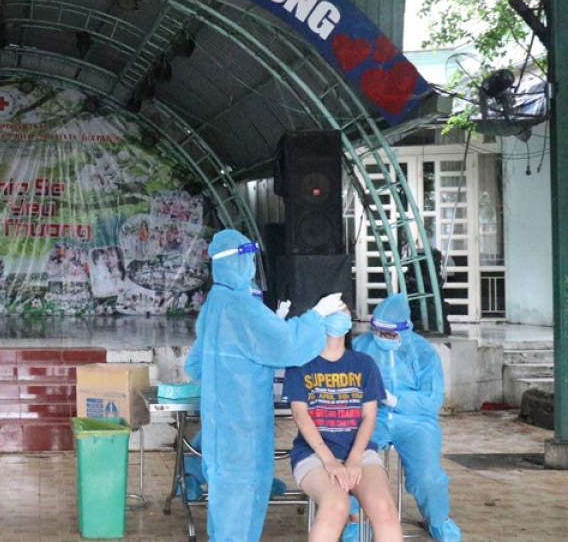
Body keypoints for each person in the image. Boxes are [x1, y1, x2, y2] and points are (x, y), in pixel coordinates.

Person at [193, 229, 349, 542]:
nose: (251, 266)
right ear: (238, 261)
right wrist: (316, 316)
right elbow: (290, 347)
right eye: (248, 259)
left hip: (220, 425)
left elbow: (195, 365)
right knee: (240, 510)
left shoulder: (216, 302)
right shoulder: (240, 307)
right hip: (242, 429)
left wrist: (268, 330)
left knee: (226, 511)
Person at [343, 294, 461, 542]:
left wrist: (396, 399)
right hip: (371, 417)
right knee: (350, 457)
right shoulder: (361, 345)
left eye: (388, 334)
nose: (381, 338)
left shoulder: (423, 352)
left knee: (427, 476)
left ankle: (438, 519)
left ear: (404, 331)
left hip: (416, 422)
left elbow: (431, 400)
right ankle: (354, 518)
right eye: (377, 331)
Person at [285, 308, 402, 542]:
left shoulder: (364, 364)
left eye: (343, 309)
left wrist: (355, 459)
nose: (338, 313)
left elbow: (369, 417)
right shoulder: (301, 365)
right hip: (314, 454)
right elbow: (300, 415)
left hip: (360, 454)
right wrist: (329, 461)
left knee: (383, 507)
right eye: (332, 309)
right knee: (336, 504)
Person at [181, 281, 287, 502]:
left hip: (254, 412)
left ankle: (260, 480)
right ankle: (190, 477)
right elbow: (194, 367)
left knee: (251, 443)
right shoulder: (214, 337)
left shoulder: (262, 336)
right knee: (217, 445)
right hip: (224, 411)